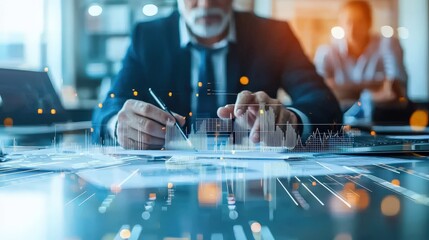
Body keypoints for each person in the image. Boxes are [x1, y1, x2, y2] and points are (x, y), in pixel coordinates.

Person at [92, 0, 342, 150]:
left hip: (253, 186)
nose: (206, 2)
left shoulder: (274, 35)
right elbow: (108, 109)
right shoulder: (147, 37)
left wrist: (293, 121)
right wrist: (118, 125)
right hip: (170, 188)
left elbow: (325, 104)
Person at [314, 0, 407, 109]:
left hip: (382, 118)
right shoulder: (326, 52)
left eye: (359, 21)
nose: (352, 29)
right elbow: (318, 93)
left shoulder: (388, 45)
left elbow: (395, 90)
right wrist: (375, 88)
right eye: (348, 22)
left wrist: (339, 89)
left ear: (369, 22)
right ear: (340, 23)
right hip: (338, 118)